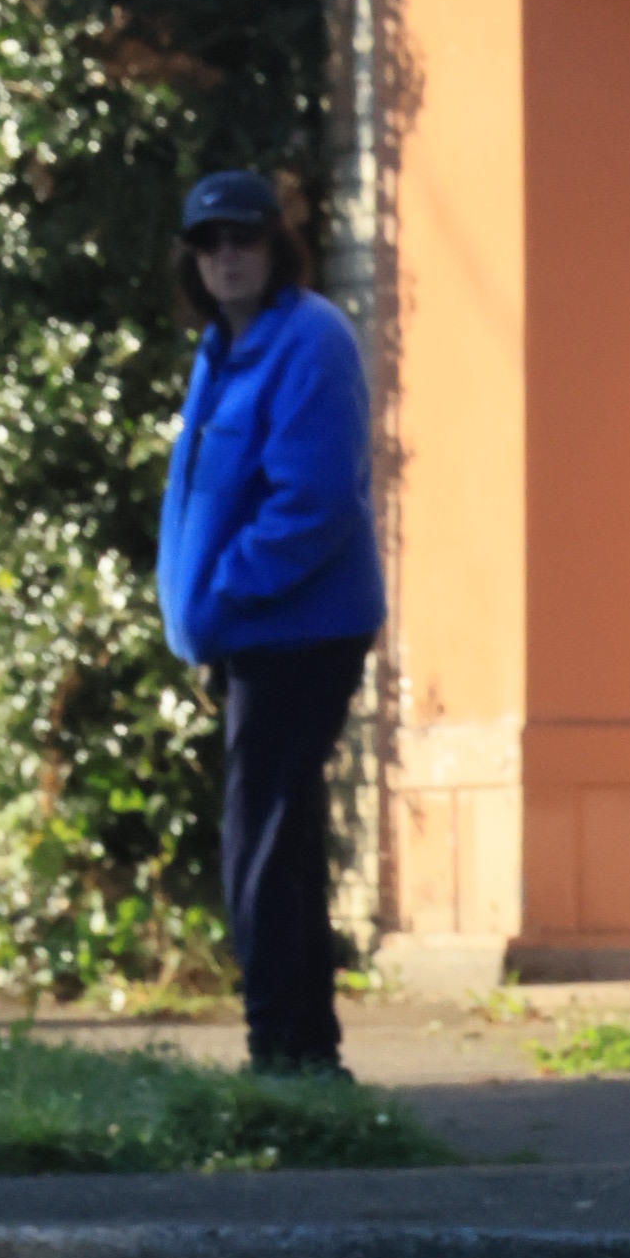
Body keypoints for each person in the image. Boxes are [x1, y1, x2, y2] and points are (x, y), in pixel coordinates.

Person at [156, 169, 386, 1074]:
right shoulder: (224, 348)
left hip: (299, 631)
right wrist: (199, 613)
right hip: (249, 633)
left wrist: (220, 597)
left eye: (243, 239)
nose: (227, 258)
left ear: (275, 245)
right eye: (209, 243)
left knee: (259, 843)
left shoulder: (308, 340)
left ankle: (280, 1051)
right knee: (278, 842)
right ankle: (304, 1054)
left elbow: (312, 503)